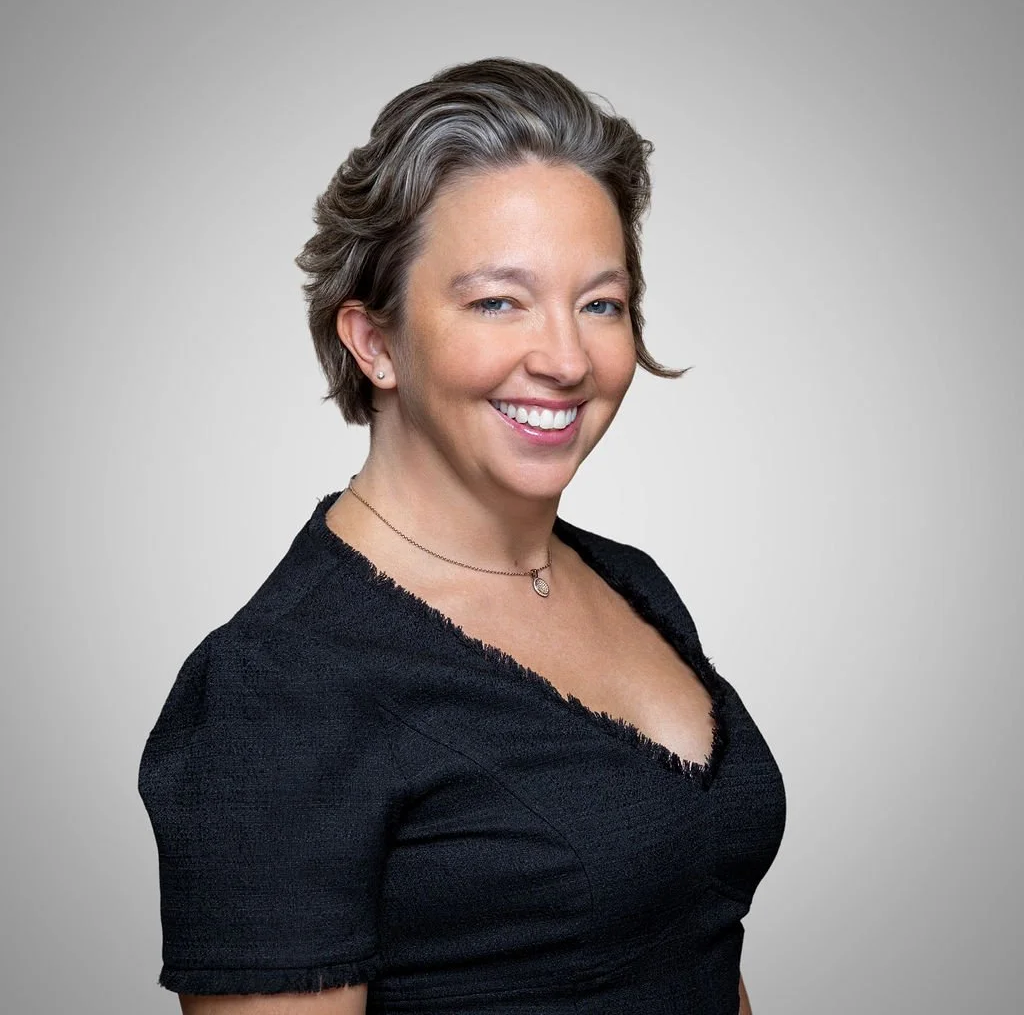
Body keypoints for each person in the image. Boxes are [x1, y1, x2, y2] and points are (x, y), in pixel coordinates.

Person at [138, 57, 787, 1015]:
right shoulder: (276, 688)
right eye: (498, 300)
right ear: (376, 341)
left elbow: (690, 938)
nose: (566, 358)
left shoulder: (631, 582)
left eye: (600, 303)